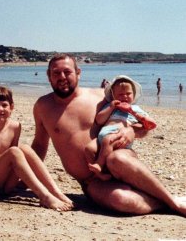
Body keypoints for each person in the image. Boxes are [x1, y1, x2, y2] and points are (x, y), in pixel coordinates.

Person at [31, 53, 186, 216]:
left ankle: (173, 203)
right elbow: (40, 145)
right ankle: (164, 203)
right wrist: (23, 178)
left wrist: (132, 130)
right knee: (121, 200)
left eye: (67, 72)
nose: (62, 77)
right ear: (49, 76)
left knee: (116, 159)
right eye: (56, 73)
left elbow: (142, 125)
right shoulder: (43, 106)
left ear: (78, 72)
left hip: (120, 159)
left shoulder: (102, 97)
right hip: (91, 181)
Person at [85, 75, 156, 181]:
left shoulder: (135, 109)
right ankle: (100, 175)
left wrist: (135, 113)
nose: (125, 97)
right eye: (120, 94)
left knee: (108, 141)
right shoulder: (110, 107)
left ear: (134, 94)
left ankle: (99, 165)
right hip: (104, 135)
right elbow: (99, 120)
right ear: (113, 96)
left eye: (128, 94)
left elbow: (150, 123)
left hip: (119, 136)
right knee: (89, 148)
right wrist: (111, 107)